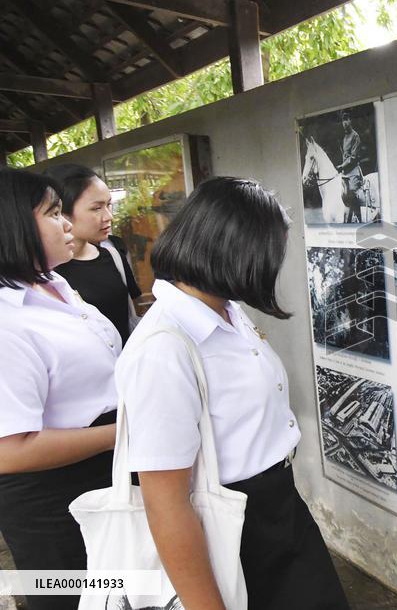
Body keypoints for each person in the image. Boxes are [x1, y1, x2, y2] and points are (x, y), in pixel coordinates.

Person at [115, 178, 349, 609]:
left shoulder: (224, 311)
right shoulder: (164, 348)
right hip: (228, 524)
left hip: (279, 506)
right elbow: (165, 501)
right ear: (233, 252)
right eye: (270, 254)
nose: (273, 267)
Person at [0, 168, 119, 610]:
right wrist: (121, 432)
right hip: (49, 498)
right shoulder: (6, 319)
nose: (67, 223)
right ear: (12, 225)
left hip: (100, 470)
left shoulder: (54, 283)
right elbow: (9, 449)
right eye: (53, 213)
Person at [44, 164, 142, 343]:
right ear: (62, 213)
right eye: (96, 208)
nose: (108, 216)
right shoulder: (46, 273)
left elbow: (131, 314)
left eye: (108, 205)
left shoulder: (113, 256)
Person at [339, 111, 364, 223]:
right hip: (345, 172)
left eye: (347, 119)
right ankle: (346, 220)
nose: (344, 123)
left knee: (352, 193)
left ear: (351, 120)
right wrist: (342, 167)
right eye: (343, 120)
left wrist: (342, 165)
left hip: (353, 171)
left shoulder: (355, 136)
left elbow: (353, 157)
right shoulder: (345, 137)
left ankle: (359, 219)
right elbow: (345, 155)